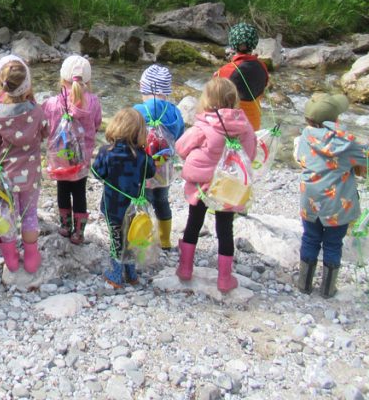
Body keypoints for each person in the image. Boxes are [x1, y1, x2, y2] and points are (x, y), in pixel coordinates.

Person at [295, 93, 369, 298]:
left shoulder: (305, 136)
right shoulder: (346, 143)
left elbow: (301, 159)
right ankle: (328, 289)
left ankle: (304, 284)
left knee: (309, 238)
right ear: (335, 119)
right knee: (333, 244)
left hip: (310, 202)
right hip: (338, 206)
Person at [175, 77, 256, 293]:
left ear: (207, 100)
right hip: (228, 187)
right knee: (225, 229)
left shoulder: (204, 125)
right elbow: (250, 154)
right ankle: (224, 279)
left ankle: (185, 268)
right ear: (234, 99)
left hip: (202, 186)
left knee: (194, 222)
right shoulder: (245, 127)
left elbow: (181, 147)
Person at [0, 57, 49, 274]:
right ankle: (31, 256)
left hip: (6, 179)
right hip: (31, 175)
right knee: (29, 215)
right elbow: (46, 132)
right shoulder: (37, 111)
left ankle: (11, 258)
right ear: (27, 85)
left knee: (7, 216)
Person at [92, 108, 156, 288]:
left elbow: (96, 173)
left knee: (116, 239)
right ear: (140, 132)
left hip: (113, 206)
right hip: (135, 208)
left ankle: (116, 275)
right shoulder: (143, 157)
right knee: (132, 238)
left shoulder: (106, 152)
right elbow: (151, 172)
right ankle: (131, 273)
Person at [43, 55, 102, 244]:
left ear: (62, 78)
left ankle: (65, 226)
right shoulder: (93, 102)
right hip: (81, 159)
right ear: (88, 80)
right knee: (79, 192)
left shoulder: (52, 103)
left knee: (62, 190)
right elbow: (97, 124)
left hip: (60, 158)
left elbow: (45, 126)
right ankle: (79, 233)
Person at [133, 64, 185, 250]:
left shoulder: (138, 110)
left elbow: (129, 135)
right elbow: (179, 136)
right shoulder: (175, 112)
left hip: (144, 169)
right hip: (165, 170)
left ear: (143, 87)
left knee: (143, 202)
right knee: (162, 201)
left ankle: (143, 239)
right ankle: (164, 240)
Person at [217, 23, 269, 131]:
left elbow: (215, 96)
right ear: (254, 43)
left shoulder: (226, 70)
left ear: (233, 44)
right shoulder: (263, 66)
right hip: (254, 123)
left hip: (233, 126)